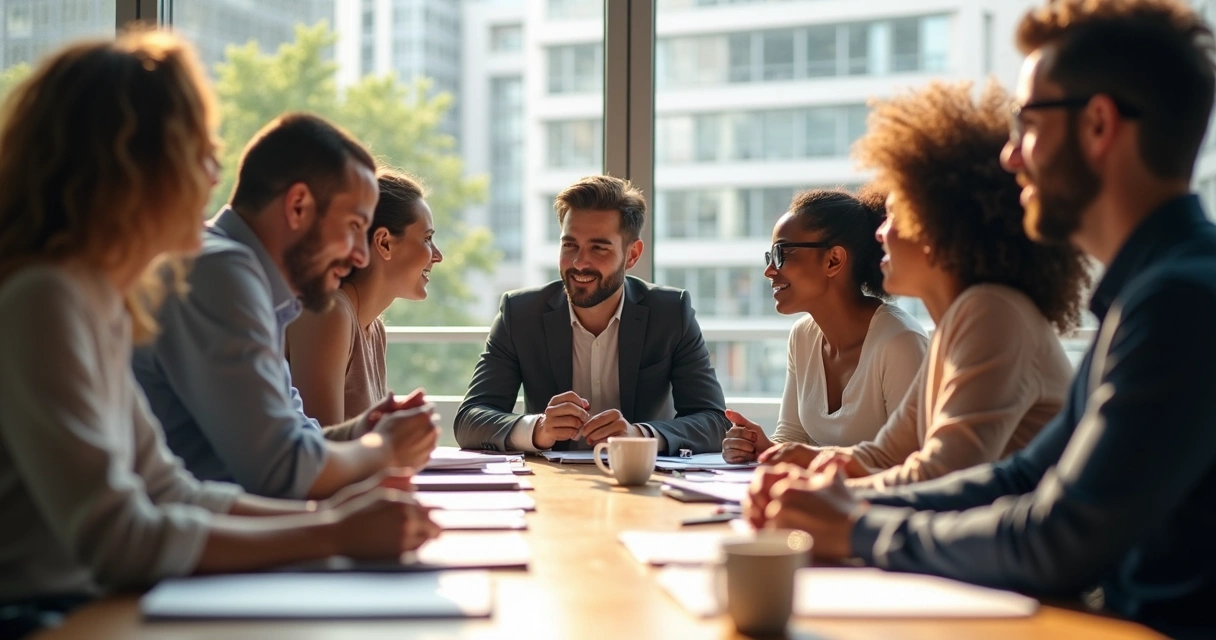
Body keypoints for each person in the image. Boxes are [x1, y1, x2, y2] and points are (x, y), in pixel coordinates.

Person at [747, 0, 1216, 635]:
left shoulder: (1181, 300)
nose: (1011, 157)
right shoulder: (1152, 291)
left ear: (1099, 125)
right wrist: (838, 504)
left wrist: (855, 526)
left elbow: (1059, 535)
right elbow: (1023, 476)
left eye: (1029, 123)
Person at [0, 31, 437, 637]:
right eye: (199, 153)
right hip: (47, 616)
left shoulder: (93, 299)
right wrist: (331, 530)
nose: (213, 176)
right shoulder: (45, 298)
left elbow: (169, 489)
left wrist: (333, 518)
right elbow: (119, 538)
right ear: (131, 167)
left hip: (99, 603)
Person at [757, 82, 1089, 491]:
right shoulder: (956, 325)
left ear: (939, 229)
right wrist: (806, 465)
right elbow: (883, 456)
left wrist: (819, 492)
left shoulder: (992, 312)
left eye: (897, 217)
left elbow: (942, 476)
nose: (881, 234)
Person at [132, 113, 439, 500]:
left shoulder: (256, 289)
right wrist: (383, 448)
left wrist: (365, 430)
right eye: (354, 227)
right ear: (297, 206)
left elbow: (297, 438)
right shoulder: (219, 272)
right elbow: (282, 471)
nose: (361, 257)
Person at [454, 175, 731, 454]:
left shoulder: (670, 312)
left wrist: (640, 435)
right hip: (551, 485)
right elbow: (470, 421)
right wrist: (538, 428)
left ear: (632, 255)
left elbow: (715, 422)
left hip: (643, 481)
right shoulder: (521, 314)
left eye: (598, 248)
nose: (579, 263)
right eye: (570, 245)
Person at [721, 189, 928, 464]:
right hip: (823, 499)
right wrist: (760, 446)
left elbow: (910, 461)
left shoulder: (900, 341)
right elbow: (792, 437)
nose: (769, 270)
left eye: (781, 253)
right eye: (769, 256)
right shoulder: (803, 336)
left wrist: (807, 459)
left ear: (833, 260)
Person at [287, 169, 443, 424]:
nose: (437, 255)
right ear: (384, 243)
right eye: (427, 239)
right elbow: (324, 450)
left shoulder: (374, 329)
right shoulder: (330, 314)